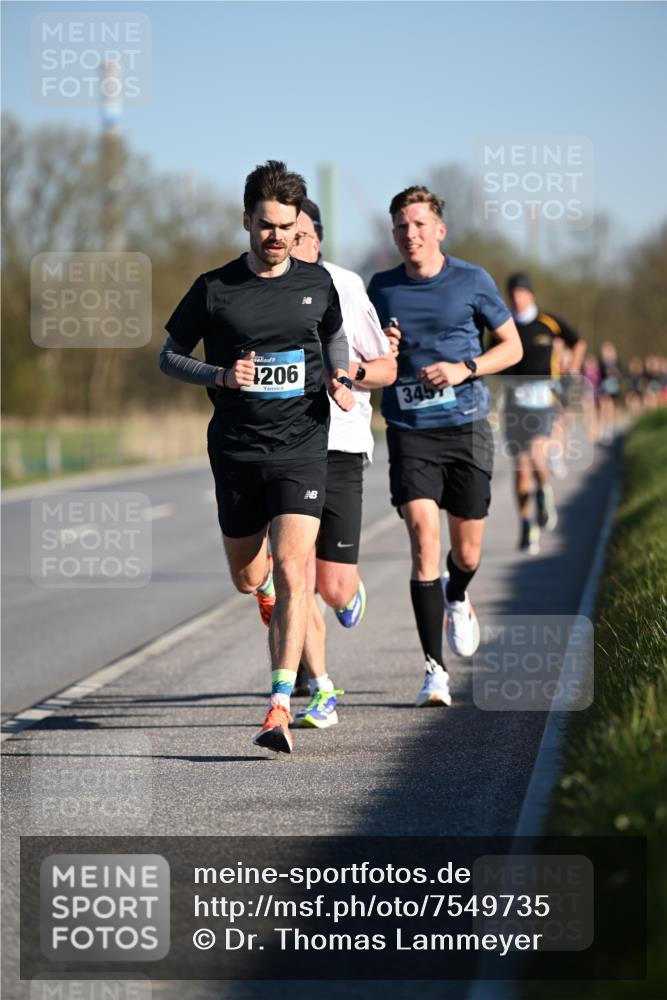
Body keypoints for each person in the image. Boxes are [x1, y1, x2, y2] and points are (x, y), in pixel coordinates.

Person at [159, 160, 355, 754]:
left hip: (301, 447)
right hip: (238, 451)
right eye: (267, 226)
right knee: (250, 577)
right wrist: (219, 374)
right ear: (247, 221)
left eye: (288, 227)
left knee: (298, 569)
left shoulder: (317, 284)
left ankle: (278, 706)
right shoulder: (214, 288)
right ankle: (263, 590)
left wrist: (341, 375)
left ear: (300, 225)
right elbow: (168, 356)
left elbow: (333, 337)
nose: (277, 238)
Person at [368, 186, 522, 707]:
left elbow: (513, 346)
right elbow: (364, 352)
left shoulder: (472, 280)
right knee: (422, 540)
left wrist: (465, 368)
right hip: (409, 429)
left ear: (439, 230)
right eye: (400, 227)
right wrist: (380, 350)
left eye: (417, 224)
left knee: (468, 550)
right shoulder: (381, 287)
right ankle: (435, 671)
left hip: (467, 426)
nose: (409, 234)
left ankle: (458, 594)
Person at [287, 199, 397, 728]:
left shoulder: (346, 286)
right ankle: (321, 689)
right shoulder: (265, 289)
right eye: (285, 233)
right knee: (297, 574)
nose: (292, 243)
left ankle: (349, 591)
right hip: (288, 447)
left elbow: (387, 368)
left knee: (331, 587)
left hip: (342, 445)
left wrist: (349, 372)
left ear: (318, 239)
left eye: (302, 234)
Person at [504, 273, 586, 553]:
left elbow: (578, 342)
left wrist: (571, 370)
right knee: (521, 467)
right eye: (513, 293)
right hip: (514, 403)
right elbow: (491, 359)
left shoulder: (548, 322)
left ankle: (543, 491)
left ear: (531, 295)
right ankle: (527, 525)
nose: (517, 297)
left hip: (543, 400)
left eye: (522, 292)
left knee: (537, 453)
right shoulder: (503, 325)